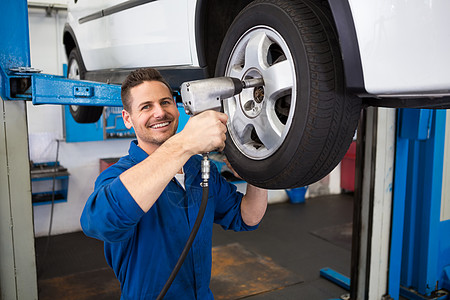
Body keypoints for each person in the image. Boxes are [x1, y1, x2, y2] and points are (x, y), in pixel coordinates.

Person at [80, 68, 268, 299]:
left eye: (166, 102)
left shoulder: (198, 168)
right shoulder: (119, 176)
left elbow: (247, 216)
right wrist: (183, 144)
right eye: (146, 106)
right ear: (127, 119)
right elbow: (102, 222)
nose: (160, 112)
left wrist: (261, 162)